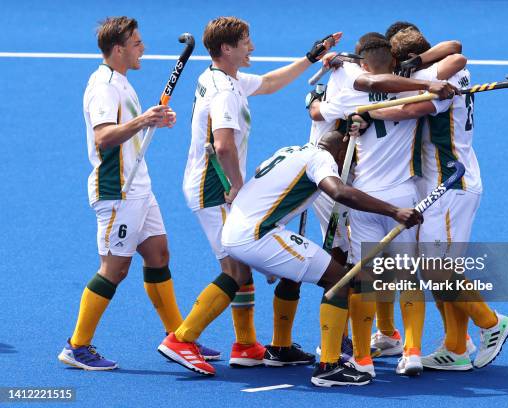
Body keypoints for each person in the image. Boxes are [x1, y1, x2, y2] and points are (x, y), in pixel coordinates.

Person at [158, 130, 422, 387]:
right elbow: (339, 192)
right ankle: (329, 367)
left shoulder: (289, 151)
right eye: (350, 161)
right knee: (339, 279)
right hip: (257, 235)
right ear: (340, 151)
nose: (348, 168)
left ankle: (272, 347)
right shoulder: (322, 158)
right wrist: (394, 211)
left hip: (237, 230)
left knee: (247, 275)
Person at [179, 16, 340, 367]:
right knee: (234, 271)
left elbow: (268, 83)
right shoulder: (224, 92)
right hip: (214, 187)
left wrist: (310, 58)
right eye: (245, 42)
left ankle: (246, 346)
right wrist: (238, 188)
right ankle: (182, 338)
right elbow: (223, 146)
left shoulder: (221, 78)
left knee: (242, 269)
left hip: (210, 183)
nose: (251, 47)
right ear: (227, 48)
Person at [58, 16, 218, 370]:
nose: (142, 47)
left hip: (139, 187)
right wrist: (143, 120)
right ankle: (77, 345)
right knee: (114, 269)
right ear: (118, 49)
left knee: (159, 254)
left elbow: (126, 130)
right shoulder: (104, 86)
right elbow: (103, 136)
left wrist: (152, 120)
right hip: (118, 190)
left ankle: (179, 337)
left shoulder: (122, 83)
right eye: (136, 43)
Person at [310, 35, 465, 376]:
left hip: (364, 199)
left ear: (363, 65)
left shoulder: (351, 94)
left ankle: (363, 359)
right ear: (393, 63)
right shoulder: (414, 89)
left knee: (368, 278)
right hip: (402, 196)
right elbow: (454, 54)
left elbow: (320, 113)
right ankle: (411, 352)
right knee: (408, 274)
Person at [378, 27, 508, 371]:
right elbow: (455, 47)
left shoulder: (430, 77)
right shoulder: (443, 67)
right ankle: (455, 347)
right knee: (444, 269)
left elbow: (411, 112)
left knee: (436, 269)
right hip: (441, 184)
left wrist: (368, 111)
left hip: (450, 184)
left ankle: (491, 323)